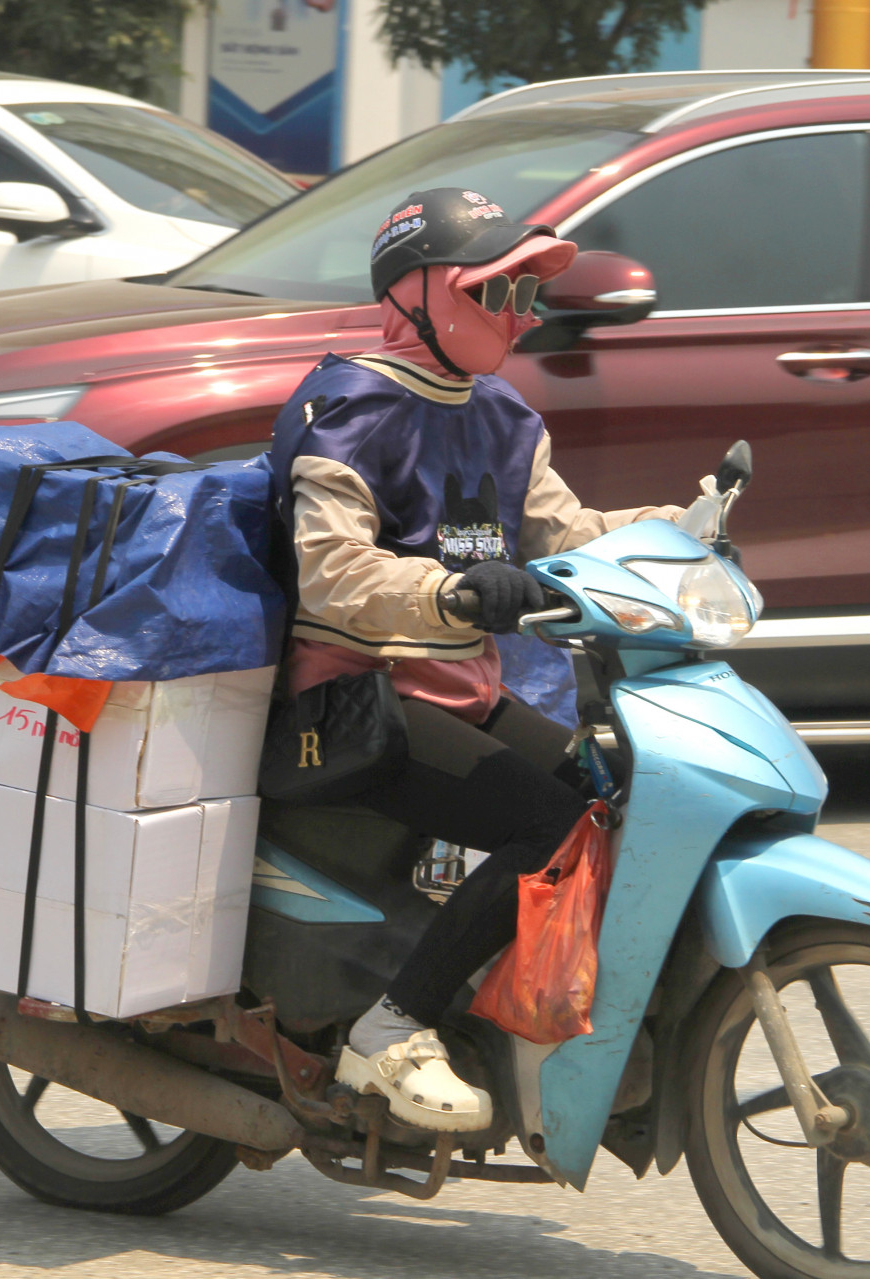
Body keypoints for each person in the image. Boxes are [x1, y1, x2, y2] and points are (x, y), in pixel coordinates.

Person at [267, 188, 683, 1131]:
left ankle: (533, 1004)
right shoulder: (346, 405)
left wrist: (676, 527)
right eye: (496, 293)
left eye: (526, 298)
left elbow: (567, 535)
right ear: (415, 293)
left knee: (611, 790)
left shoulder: (502, 414)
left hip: (458, 694)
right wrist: (450, 591)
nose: (518, 318)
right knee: (548, 821)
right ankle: (394, 1024)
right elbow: (331, 572)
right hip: (351, 704)